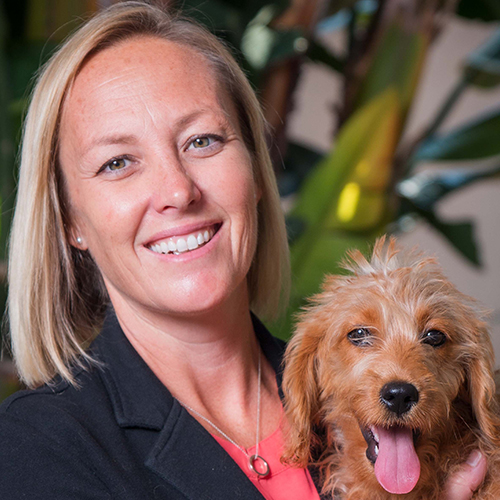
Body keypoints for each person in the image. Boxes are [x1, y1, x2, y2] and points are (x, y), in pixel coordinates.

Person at [0, 2, 487, 498]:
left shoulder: (385, 407)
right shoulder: (37, 448)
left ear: (255, 168)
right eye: (118, 162)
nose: (177, 191)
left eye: (202, 141)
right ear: (70, 220)